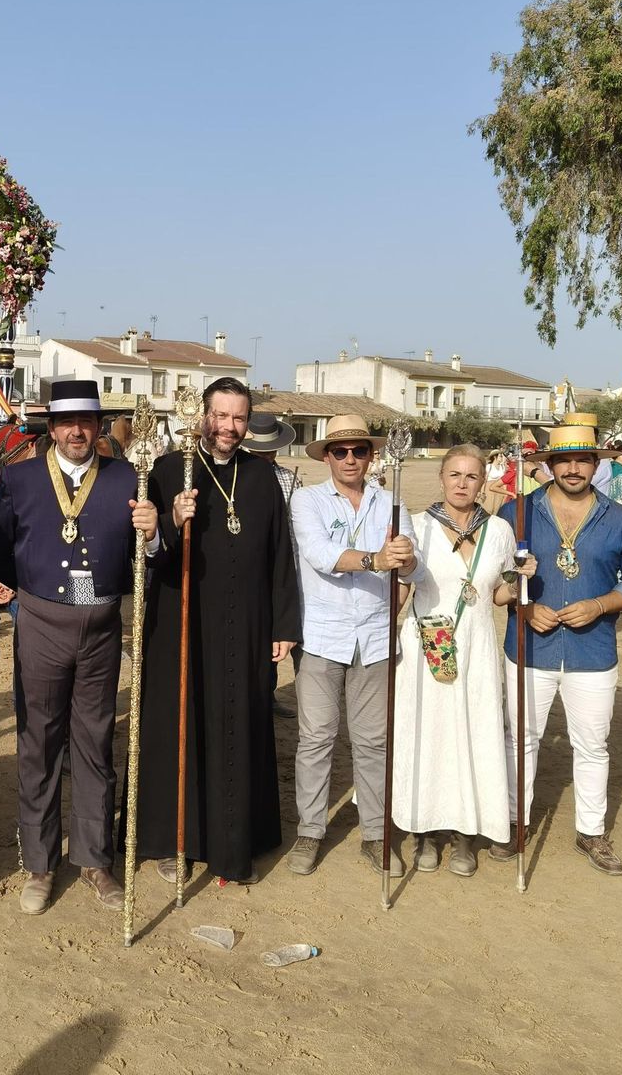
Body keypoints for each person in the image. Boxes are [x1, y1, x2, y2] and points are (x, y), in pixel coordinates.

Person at [0, 380, 154, 915]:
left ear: (98, 427)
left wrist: (152, 534)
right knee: (39, 740)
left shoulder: (129, 477)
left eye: (86, 421)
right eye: (66, 422)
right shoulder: (20, 477)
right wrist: (29, 591)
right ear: (51, 428)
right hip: (41, 624)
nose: (77, 431)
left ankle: (95, 860)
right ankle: (38, 863)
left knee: (95, 742)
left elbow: (147, 559)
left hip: (102, 628)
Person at [129, 377, 300, 886]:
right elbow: (143, 560)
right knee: (179, 725)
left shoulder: (261, 477)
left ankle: (237, 836)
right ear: (203, 417)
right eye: (220, 416)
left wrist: (284, 624)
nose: (229, 428)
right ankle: (173, 839)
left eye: (239, 418)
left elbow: (279, 556)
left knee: (238, 724)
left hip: (246, 628)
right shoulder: (167, 471)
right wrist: (165, 522)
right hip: (181, 626)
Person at [492, 425, 622, 875]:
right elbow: (495, 579)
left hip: (592, 649)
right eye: (564, 460)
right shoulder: (515, 512)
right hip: (528, 646)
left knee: (592, 744)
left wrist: (601, 604)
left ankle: (591, 830)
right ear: (548, 464)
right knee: (520, 738)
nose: (574, 468)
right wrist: (524, 609)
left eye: (583, 459)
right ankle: (513, 821)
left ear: (597, 464)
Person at [286, 414, 416, 877]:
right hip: (322, 636)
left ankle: (376, 834)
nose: (349, 459)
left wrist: (403, 563)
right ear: (326, 456)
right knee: (316, 739)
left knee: (372, 742)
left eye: (358, 450)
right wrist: (377, 559)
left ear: (370, 455)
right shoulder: (307, 501)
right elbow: (320, 556)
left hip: (376, 639)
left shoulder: (392, 502)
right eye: (339, 451)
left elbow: (411, 567)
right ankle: (310, 831)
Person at [391, 445, 521, 876]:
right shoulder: (417, 527)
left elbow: (496, 596)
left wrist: (518, 583)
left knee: (474, 735)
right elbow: (402, 591)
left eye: (471, 476)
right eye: (454, 475)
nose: (462, 484)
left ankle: (467, 835)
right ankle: (424, 832)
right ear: (441, 478)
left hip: (478, 647)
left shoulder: (500, 530)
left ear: (484, 481)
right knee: (427, 735)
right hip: (428, 644)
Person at [240, 410, 301, 719]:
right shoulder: (238, 475)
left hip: (280, 559)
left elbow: (295, 524)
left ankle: (269, 692)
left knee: (275, 629)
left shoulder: (290, 479)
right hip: (250, 562)